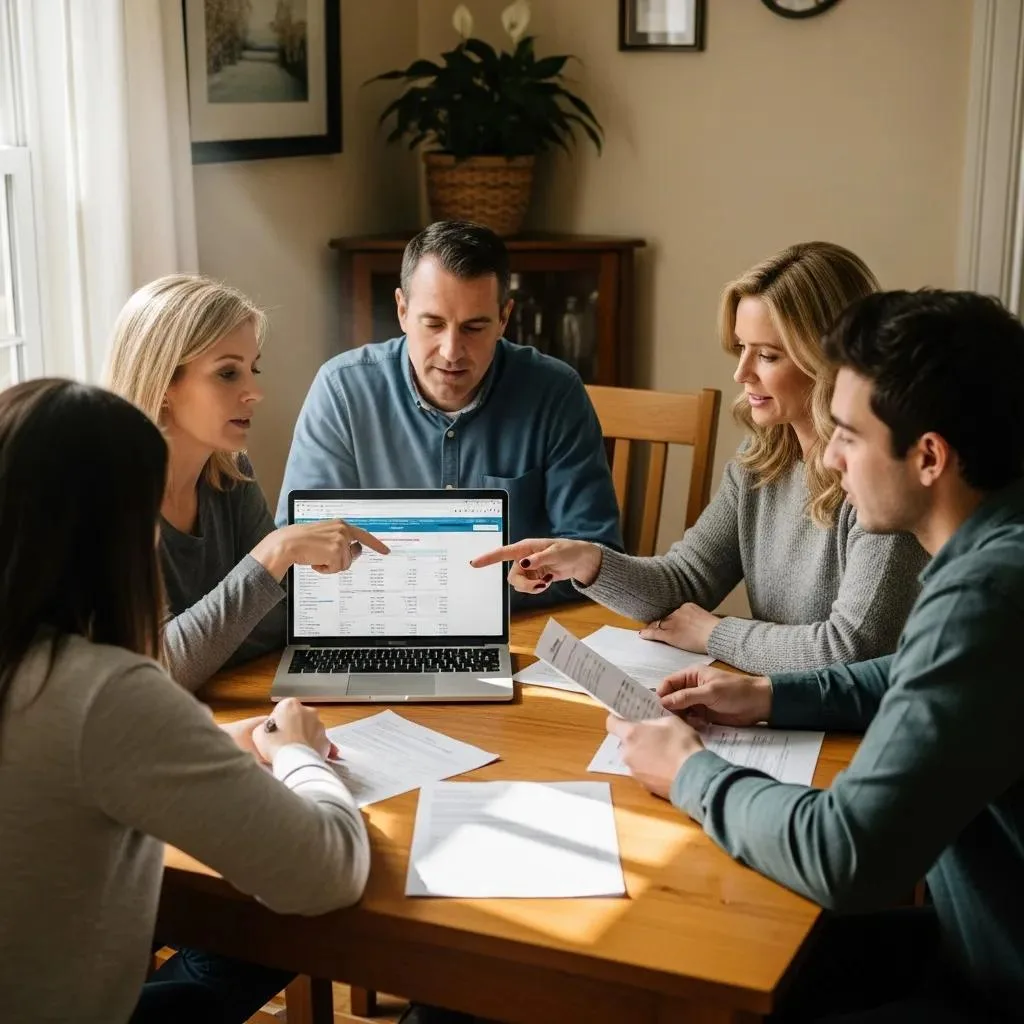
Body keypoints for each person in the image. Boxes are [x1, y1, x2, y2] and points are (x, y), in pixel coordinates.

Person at [610, 290, 1024, 1022]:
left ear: (929, 456)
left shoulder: (986, 593)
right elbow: (910, 675)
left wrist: (689, 773)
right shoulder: (1002, 548)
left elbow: (845, 855)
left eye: (848, 436)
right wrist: (770, 694)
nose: (828, 458)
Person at [0, 379, 371, 1024]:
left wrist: (201, 746)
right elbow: (328, 869)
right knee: (269, 926)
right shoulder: (102, 691)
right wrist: (300, 756)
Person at [472, 242, 928, 673]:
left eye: (767, 355)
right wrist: (588, 561)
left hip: (851, 731)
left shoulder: (881, 481)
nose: (741, 372)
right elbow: (686, 581)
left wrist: (714, 633)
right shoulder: (760, 461)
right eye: (740, 348)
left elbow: (851, 650)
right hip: (781, 708)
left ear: (829, 361)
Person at [275, 220, 622, 608]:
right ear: (403, 311)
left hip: (519, 627)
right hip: (381, 626)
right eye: (434, 324)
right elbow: (298, 547)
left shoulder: (555, 393)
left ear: (504, 318)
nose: (451, 351)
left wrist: (543, 575)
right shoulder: (341, 390)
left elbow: (596, 554)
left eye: (474, 327)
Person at [105, 274, 389, 692]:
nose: (255, 391)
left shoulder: (231, 475)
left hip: (234, 706)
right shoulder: (108, 499)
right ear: (164, 383)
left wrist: (215, 635)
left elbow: (275, 625)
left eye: (252, 369)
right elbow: (158, 671)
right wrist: (274, 552)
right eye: (227, 374)